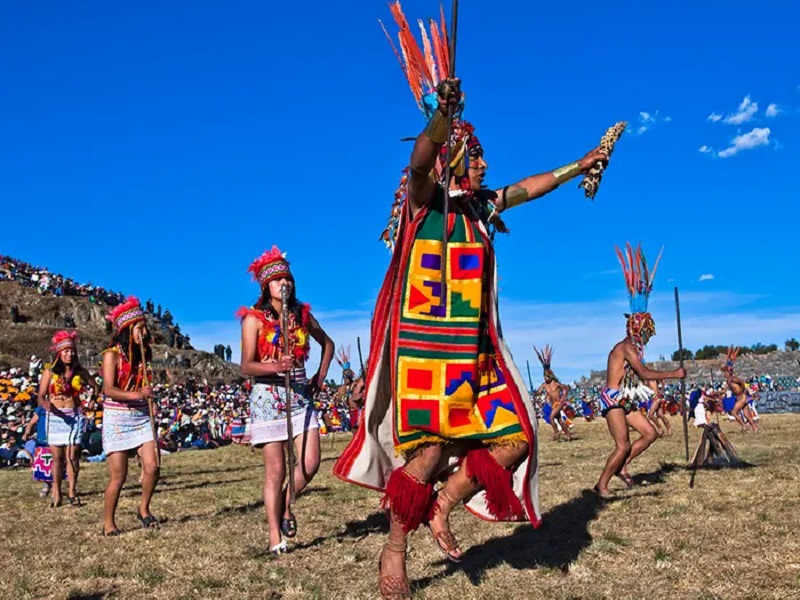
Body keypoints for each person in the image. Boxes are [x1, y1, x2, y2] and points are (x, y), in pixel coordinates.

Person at [334, 5, 610, 597]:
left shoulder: (481, 210)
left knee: (516, 438)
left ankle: (444, 507)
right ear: (452, 157)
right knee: (429, 453)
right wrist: (441, 116)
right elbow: (415, 166)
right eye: (475, 154)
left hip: (475, 354)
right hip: (427, 353)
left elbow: (526, 189)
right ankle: (394, 550)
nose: (485, 163)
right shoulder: (425, 203)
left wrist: (578, 165)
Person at [237, 247, 334, 554]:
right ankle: (273, 535)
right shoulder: (253, 320)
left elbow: (327, 343)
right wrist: (276, 366)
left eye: (287, 279)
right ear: (266, 286)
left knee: (310, 463)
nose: (284, 284)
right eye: (278, 280)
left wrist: (319, 376)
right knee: (276, 471)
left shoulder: (302, 315)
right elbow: (246, 365)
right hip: (267, 397)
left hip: (301, 397)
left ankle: (285, 503)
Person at [594, 244, 684, 497]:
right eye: (646, 330)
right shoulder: (626, 347)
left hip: (625, 399)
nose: (648, 335)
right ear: (639, 328)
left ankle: (621, 467)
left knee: (650, 432)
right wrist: (673, 374)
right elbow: (644, 374)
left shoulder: (634, 347)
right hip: (613, 399)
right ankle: (601, 485)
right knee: (622, 446)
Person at [101, 296, 160, 536]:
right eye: (140, 328)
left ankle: (144, 509)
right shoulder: (111, 354)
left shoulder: (144, 354)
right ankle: (108, 523)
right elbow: (109, 389)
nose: (144, 332)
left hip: (141, 416)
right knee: (119, 477)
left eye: (145, 327)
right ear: (127, 330)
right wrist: (137, 394)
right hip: (117, 417)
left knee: (153, 466)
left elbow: (145, 386)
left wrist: (149, 400)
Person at [36, 331, 90, 507]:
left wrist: (89, 402)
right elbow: (41, 396)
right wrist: (46, 405)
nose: (70, 354)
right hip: (55, 417)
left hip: (74, 416)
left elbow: (97, 387)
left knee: (73, 456)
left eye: (72, 351)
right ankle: (56, 492)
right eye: (66, 351)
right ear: (59, 353)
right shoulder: (50, 372)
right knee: (58, 458)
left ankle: (72, 492)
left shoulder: (80, 372)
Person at [534, 346, 572, 442]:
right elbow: (538, 393)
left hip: (559, 403)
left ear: (550, 376)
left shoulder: (555, 383)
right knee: (559, 420)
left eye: (546, 377)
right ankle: (568, 435)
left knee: (551, 417)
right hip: (552, 404)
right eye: (544, 377)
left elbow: (566, 388)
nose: (545, 378)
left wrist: (563, 396)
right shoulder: (544, 385)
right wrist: (535, 393)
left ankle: (556, 433)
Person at [723, 347, 758, 433]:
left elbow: (742, 382)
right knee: (747, 414)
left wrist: (743, 390)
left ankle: (744, 426)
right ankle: (755, 429)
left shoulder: (732, 379)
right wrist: (716, 393)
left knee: (734, 412)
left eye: (725, 373)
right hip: (740, 397)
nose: (724, 374)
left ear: (728, 373)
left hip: (742, 397)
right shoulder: (728, 381)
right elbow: (724, 391)